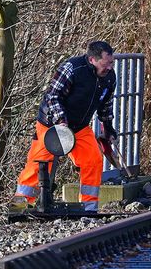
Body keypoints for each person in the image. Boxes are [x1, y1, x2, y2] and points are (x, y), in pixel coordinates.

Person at [12, 41, 118, 213]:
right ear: (92, 60)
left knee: (93, 160)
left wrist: (108, 126)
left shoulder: (109, 77)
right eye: (105, 64)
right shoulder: (72, 69)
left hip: (80, 127)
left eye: (111, 63)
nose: (109, 68)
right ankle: (18, 208)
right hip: (51, 125)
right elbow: (52, 96)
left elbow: (105, 104)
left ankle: (89, 209)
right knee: (38, 164)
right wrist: (61, 120)